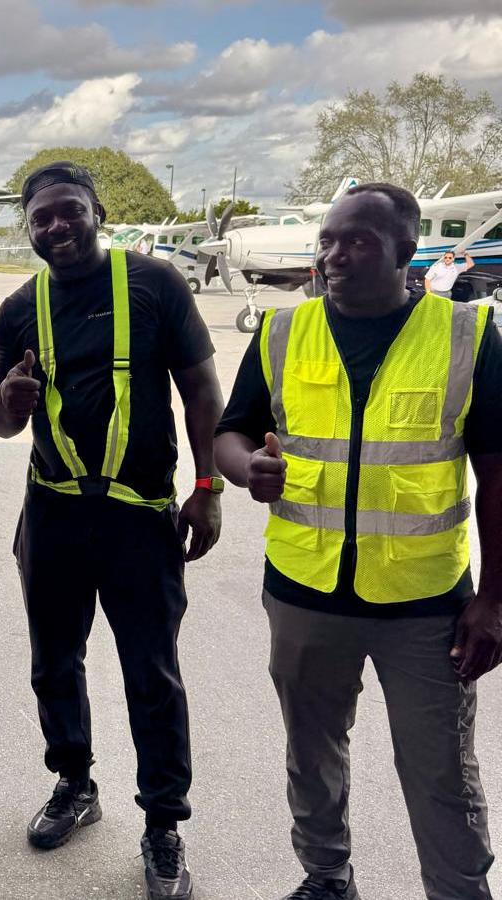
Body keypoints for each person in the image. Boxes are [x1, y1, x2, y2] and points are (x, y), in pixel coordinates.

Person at [215, 183, 502, 900]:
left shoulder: (466, 335)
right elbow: (230, 431)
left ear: (407, 253)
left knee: (439, 769)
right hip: (304, 593)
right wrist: (247, 467)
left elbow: (497, 475)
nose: (335, 255)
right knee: (312, 756)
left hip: (424, 602)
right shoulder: (284, 331)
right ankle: (326, 878)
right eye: (329, 240)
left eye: (358, 241)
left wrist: (494, 600)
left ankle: (459, 892)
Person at [0, 162, 223, 900]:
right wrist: (9, 400)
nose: (56, 227)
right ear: (28, 228)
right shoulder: (20, 308)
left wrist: (207, 489)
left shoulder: (154, 286)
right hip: (54, 511)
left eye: (69, 211)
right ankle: (74, 783)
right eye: (41, 218)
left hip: (139, 515)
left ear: (97, 211)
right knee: (55, 662)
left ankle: (162, 824)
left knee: (151, 673)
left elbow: (202, 392)